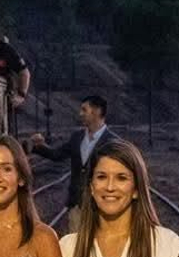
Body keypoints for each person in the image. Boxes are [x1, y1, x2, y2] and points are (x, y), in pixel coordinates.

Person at [29, 94, 118, 225]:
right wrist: (37, 146)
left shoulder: (113, 143)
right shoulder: (77, 137)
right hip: (77, 206)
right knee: (75, 243)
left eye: (84, 110)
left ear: (97, 111)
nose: (80, 113)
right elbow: (57, 154)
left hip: (101, 209)